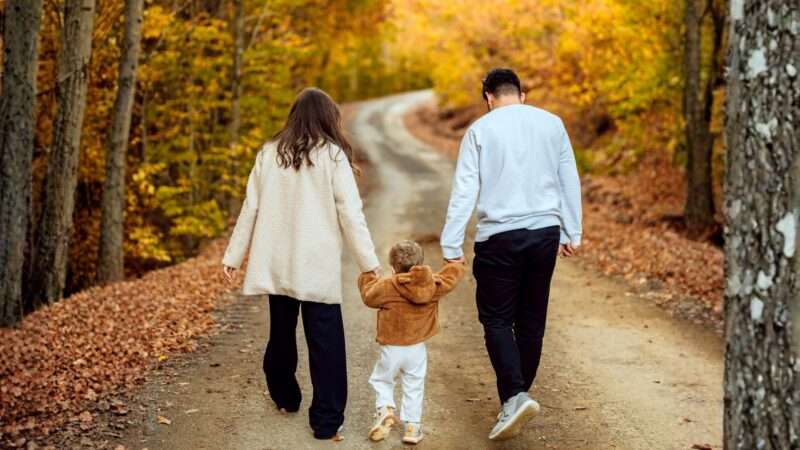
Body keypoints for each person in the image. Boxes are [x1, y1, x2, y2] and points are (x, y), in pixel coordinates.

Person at [221, 87, 380, 441]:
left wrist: (234, 255)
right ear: (328, 118)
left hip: (277, 262)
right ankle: (325, 421)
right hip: (315, 264)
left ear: (294, 116)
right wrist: (368, 262)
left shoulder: (268, 153)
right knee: (326, 341)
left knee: (281, 332)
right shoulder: (333, 157)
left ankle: (285, 397)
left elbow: (251, 208)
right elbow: (350, 214)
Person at [440, 68, 583, 441]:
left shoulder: (480, 131)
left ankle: (515, 396)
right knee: (532, 320)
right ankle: (517, 395)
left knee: (498, 320)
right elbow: (569, 178)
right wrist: (572, 230)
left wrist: (451, 245)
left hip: (499, 237)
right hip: (544, 235)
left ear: (488, 96)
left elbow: (464, 190)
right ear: (521, 93)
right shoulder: (552, 124)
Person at [358, 240, 465, 445]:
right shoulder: (431, 284)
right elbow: (449, 279)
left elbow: (368, 297)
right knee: (414, 384)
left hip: (392, 347)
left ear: (392, 267)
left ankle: (385, 409)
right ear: (420, 263)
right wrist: (456, 264)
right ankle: (412, 427)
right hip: (417, 348)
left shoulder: (387, 285)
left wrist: (368, 274)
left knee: (382, 380)